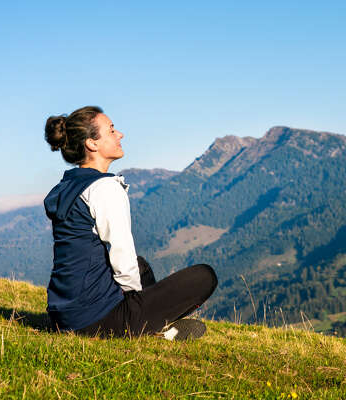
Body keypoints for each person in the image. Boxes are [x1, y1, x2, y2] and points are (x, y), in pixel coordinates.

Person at [43, 106, 217, 340]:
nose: (120, 135)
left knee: (140, 265)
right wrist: (139, 305)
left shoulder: (69, 186)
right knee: (205, 277)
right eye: (111, 130)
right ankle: (154, 330)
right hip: (93, 321)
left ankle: (151, 321)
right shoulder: (105, 188)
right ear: (92, 144)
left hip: (63, 316)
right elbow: (121, 254)